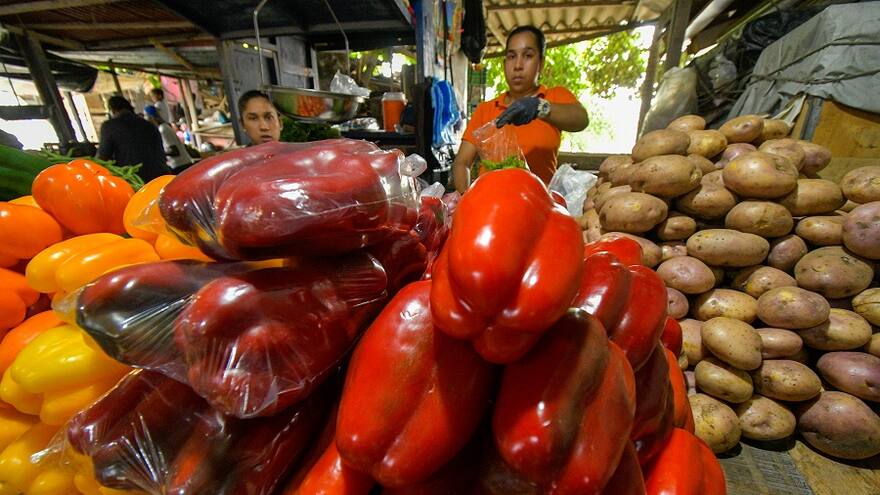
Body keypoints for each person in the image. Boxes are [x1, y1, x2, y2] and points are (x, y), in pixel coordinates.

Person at [452, 25, 588, 193]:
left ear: (541, 63)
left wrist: (539, 107)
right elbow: (462, 163)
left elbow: (581, 119)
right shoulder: (485, 110)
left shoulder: (554, 97)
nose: (517, 65)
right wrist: (466, 197)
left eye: (528, 55)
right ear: (504, 64)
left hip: (538, 203)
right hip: (491, 203)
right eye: (511, 56)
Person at [97, 95, 170, 182]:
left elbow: (102, 157)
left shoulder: (109, 126)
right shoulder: (148, 124)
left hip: (137, 180)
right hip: (163, 176)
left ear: (112, 110)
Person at [144, 104, 193, 170]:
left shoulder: (163, 129)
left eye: (145, 116)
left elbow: (175, 151)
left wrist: (158, 154)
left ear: (151, 117)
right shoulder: (162, 128)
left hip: (180, 165)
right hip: (179, 164)